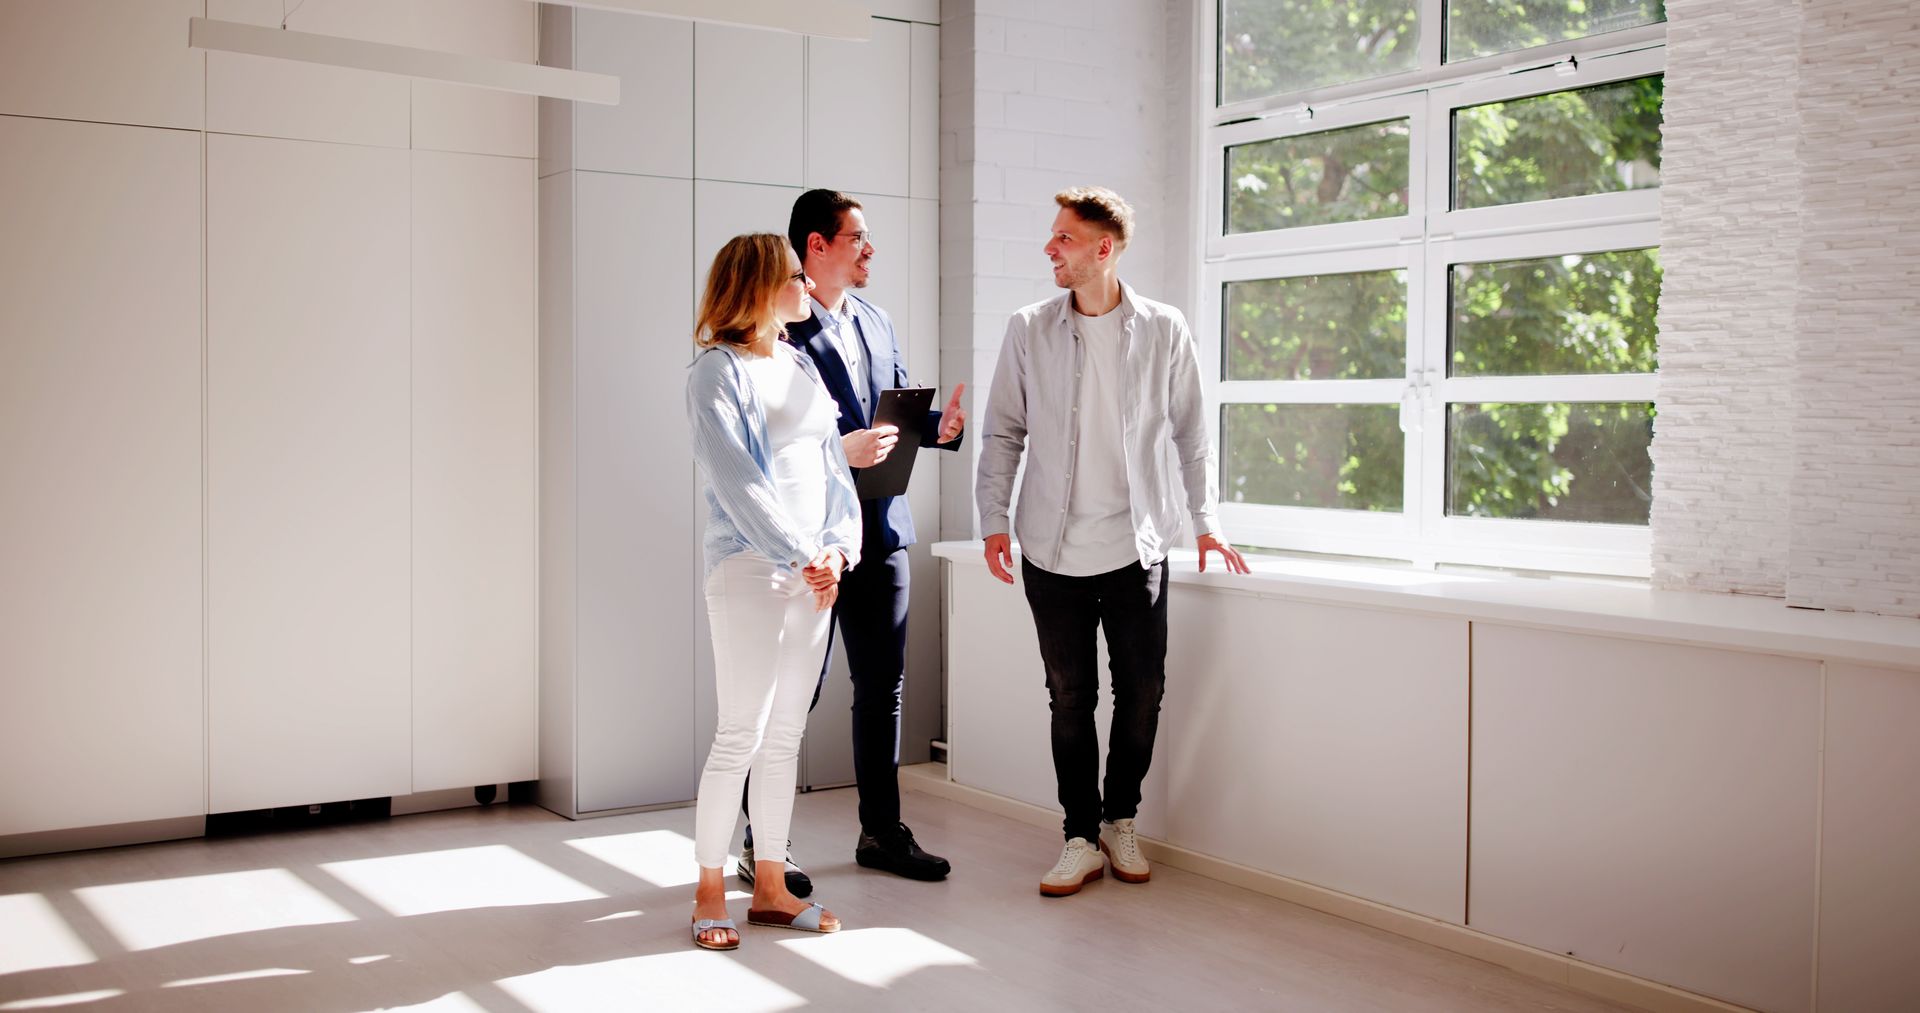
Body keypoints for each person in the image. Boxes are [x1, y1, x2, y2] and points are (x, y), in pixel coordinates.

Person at [975, 186, 1251, 897]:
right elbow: (1003, 428)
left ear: (1105, 248)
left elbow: (1192, 433)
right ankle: (1078, 834)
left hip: (1139, 545)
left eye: (1063, 238)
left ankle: (1118, 819)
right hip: (1051, 546)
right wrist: (994, 518)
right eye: (1052, 235)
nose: (1050, 249)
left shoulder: (1164, 328)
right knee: (1070, 697)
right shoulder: (1028, 327)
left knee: (1144, 691)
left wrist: (1206, 521)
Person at [737, 189, 964, 892]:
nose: (870, 249)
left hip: (884, 531)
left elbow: (891, 411)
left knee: (882, 689)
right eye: (857, 238)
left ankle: (882, 831)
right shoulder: (774, 327)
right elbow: (762, 443)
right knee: (790, 692)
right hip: (808, 541)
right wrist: (842, 447)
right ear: (815, 246)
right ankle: (760, 845)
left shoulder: (877, 319)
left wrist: (938, 431)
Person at [685, 233, 861, 950]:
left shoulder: (798, 365)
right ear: (758, 285)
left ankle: (770, 888)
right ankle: (705, 890)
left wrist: (837, 550)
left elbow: (834, 469)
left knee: (786, 734)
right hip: (751, 568)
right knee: (741, 733)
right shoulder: (714, 373)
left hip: (814, 570)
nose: (806, 286)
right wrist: (800, 551)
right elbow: (739, 482)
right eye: (794, 276)